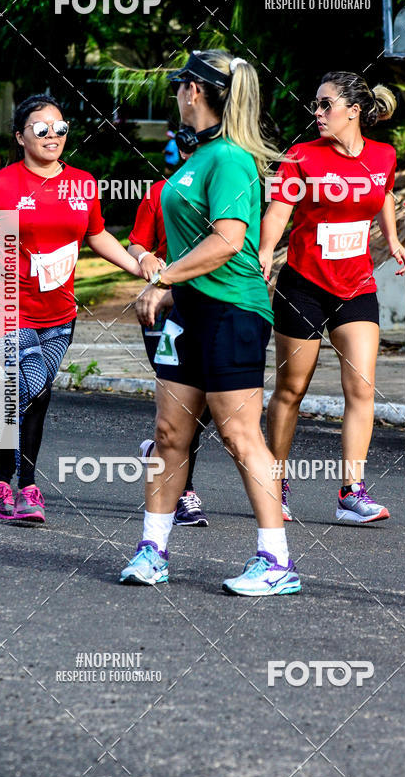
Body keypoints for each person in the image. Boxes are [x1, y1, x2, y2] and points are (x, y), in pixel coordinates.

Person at [119, 49, 301, 596]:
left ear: (194, 92)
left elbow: (227, 242)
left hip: (232, 311)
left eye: (180, 86)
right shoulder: (196, 158)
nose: (177, 93)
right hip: (191, 313)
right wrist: (162, 272)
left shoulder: (231, 159)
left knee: (240, 434)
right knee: (168, 433)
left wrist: (164, 279)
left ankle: (276, 561)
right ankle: (153, 549)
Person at [0, 94, 141, 524]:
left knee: (34, 396)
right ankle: (21, 484)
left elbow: (97, 235)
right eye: (41, 128)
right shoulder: (1, 185)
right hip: (7, 304)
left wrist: (139, 266)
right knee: (32, 386)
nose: (52, 135)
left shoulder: (82, 183)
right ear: (20, 136)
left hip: (59, 314)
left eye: (60, 127)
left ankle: (7, 483)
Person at [259, 71, 405, 524]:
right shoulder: (302, 156)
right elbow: (280, 209)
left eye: (326, 105)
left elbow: (382, 193)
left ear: (353, 111)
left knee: (361, 388)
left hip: (356, 285)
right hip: (304, 284)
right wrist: (265, 252)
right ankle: (274, 481)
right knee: (291, 389)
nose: (318, 113)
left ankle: (351, 491)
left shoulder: (383, 155)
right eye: (316, 105)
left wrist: (392, 237)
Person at [128, 178, 211, 526]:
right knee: (181, 403)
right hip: (164, 307)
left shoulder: (230, 185)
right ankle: (184, 493)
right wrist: (145, 255)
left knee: (209, 404)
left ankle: (158, 453)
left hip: (213, 305)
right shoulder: (162, 190)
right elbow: (136, 243)